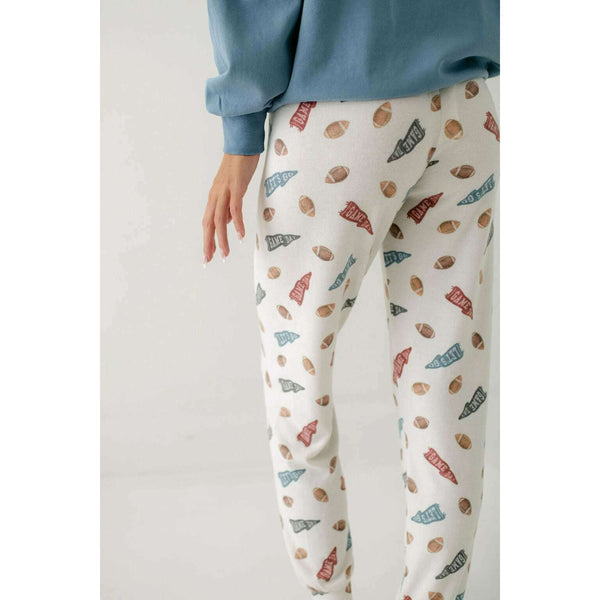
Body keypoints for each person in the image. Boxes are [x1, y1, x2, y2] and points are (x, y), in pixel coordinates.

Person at [203, 2, 499, 599]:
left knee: (299, 388)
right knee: (446, 391)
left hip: (337, 116)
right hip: (466, 111)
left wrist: (240, 131)